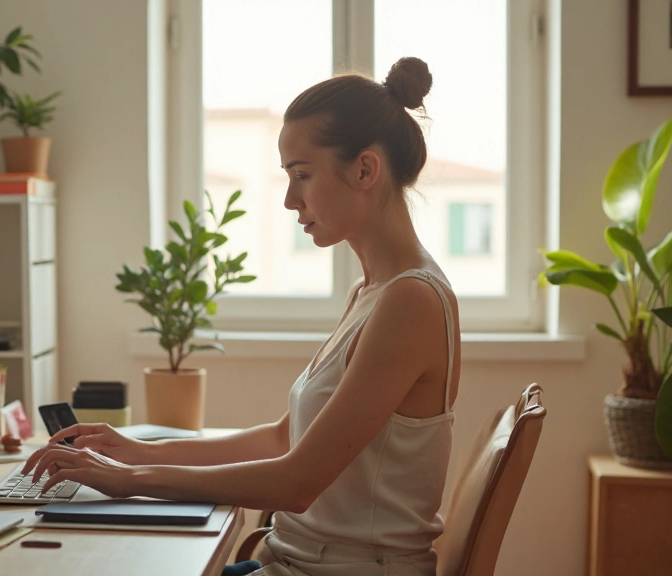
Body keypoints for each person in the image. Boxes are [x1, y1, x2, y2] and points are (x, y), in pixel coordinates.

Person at [23, 56, 460, 576]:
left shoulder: (411, 302)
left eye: (302, 175)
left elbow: (295, 484)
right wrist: (135, 452)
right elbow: (282, 439)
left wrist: (128, 480)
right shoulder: (371, 293)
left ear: (365, 170)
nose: (291, 199)